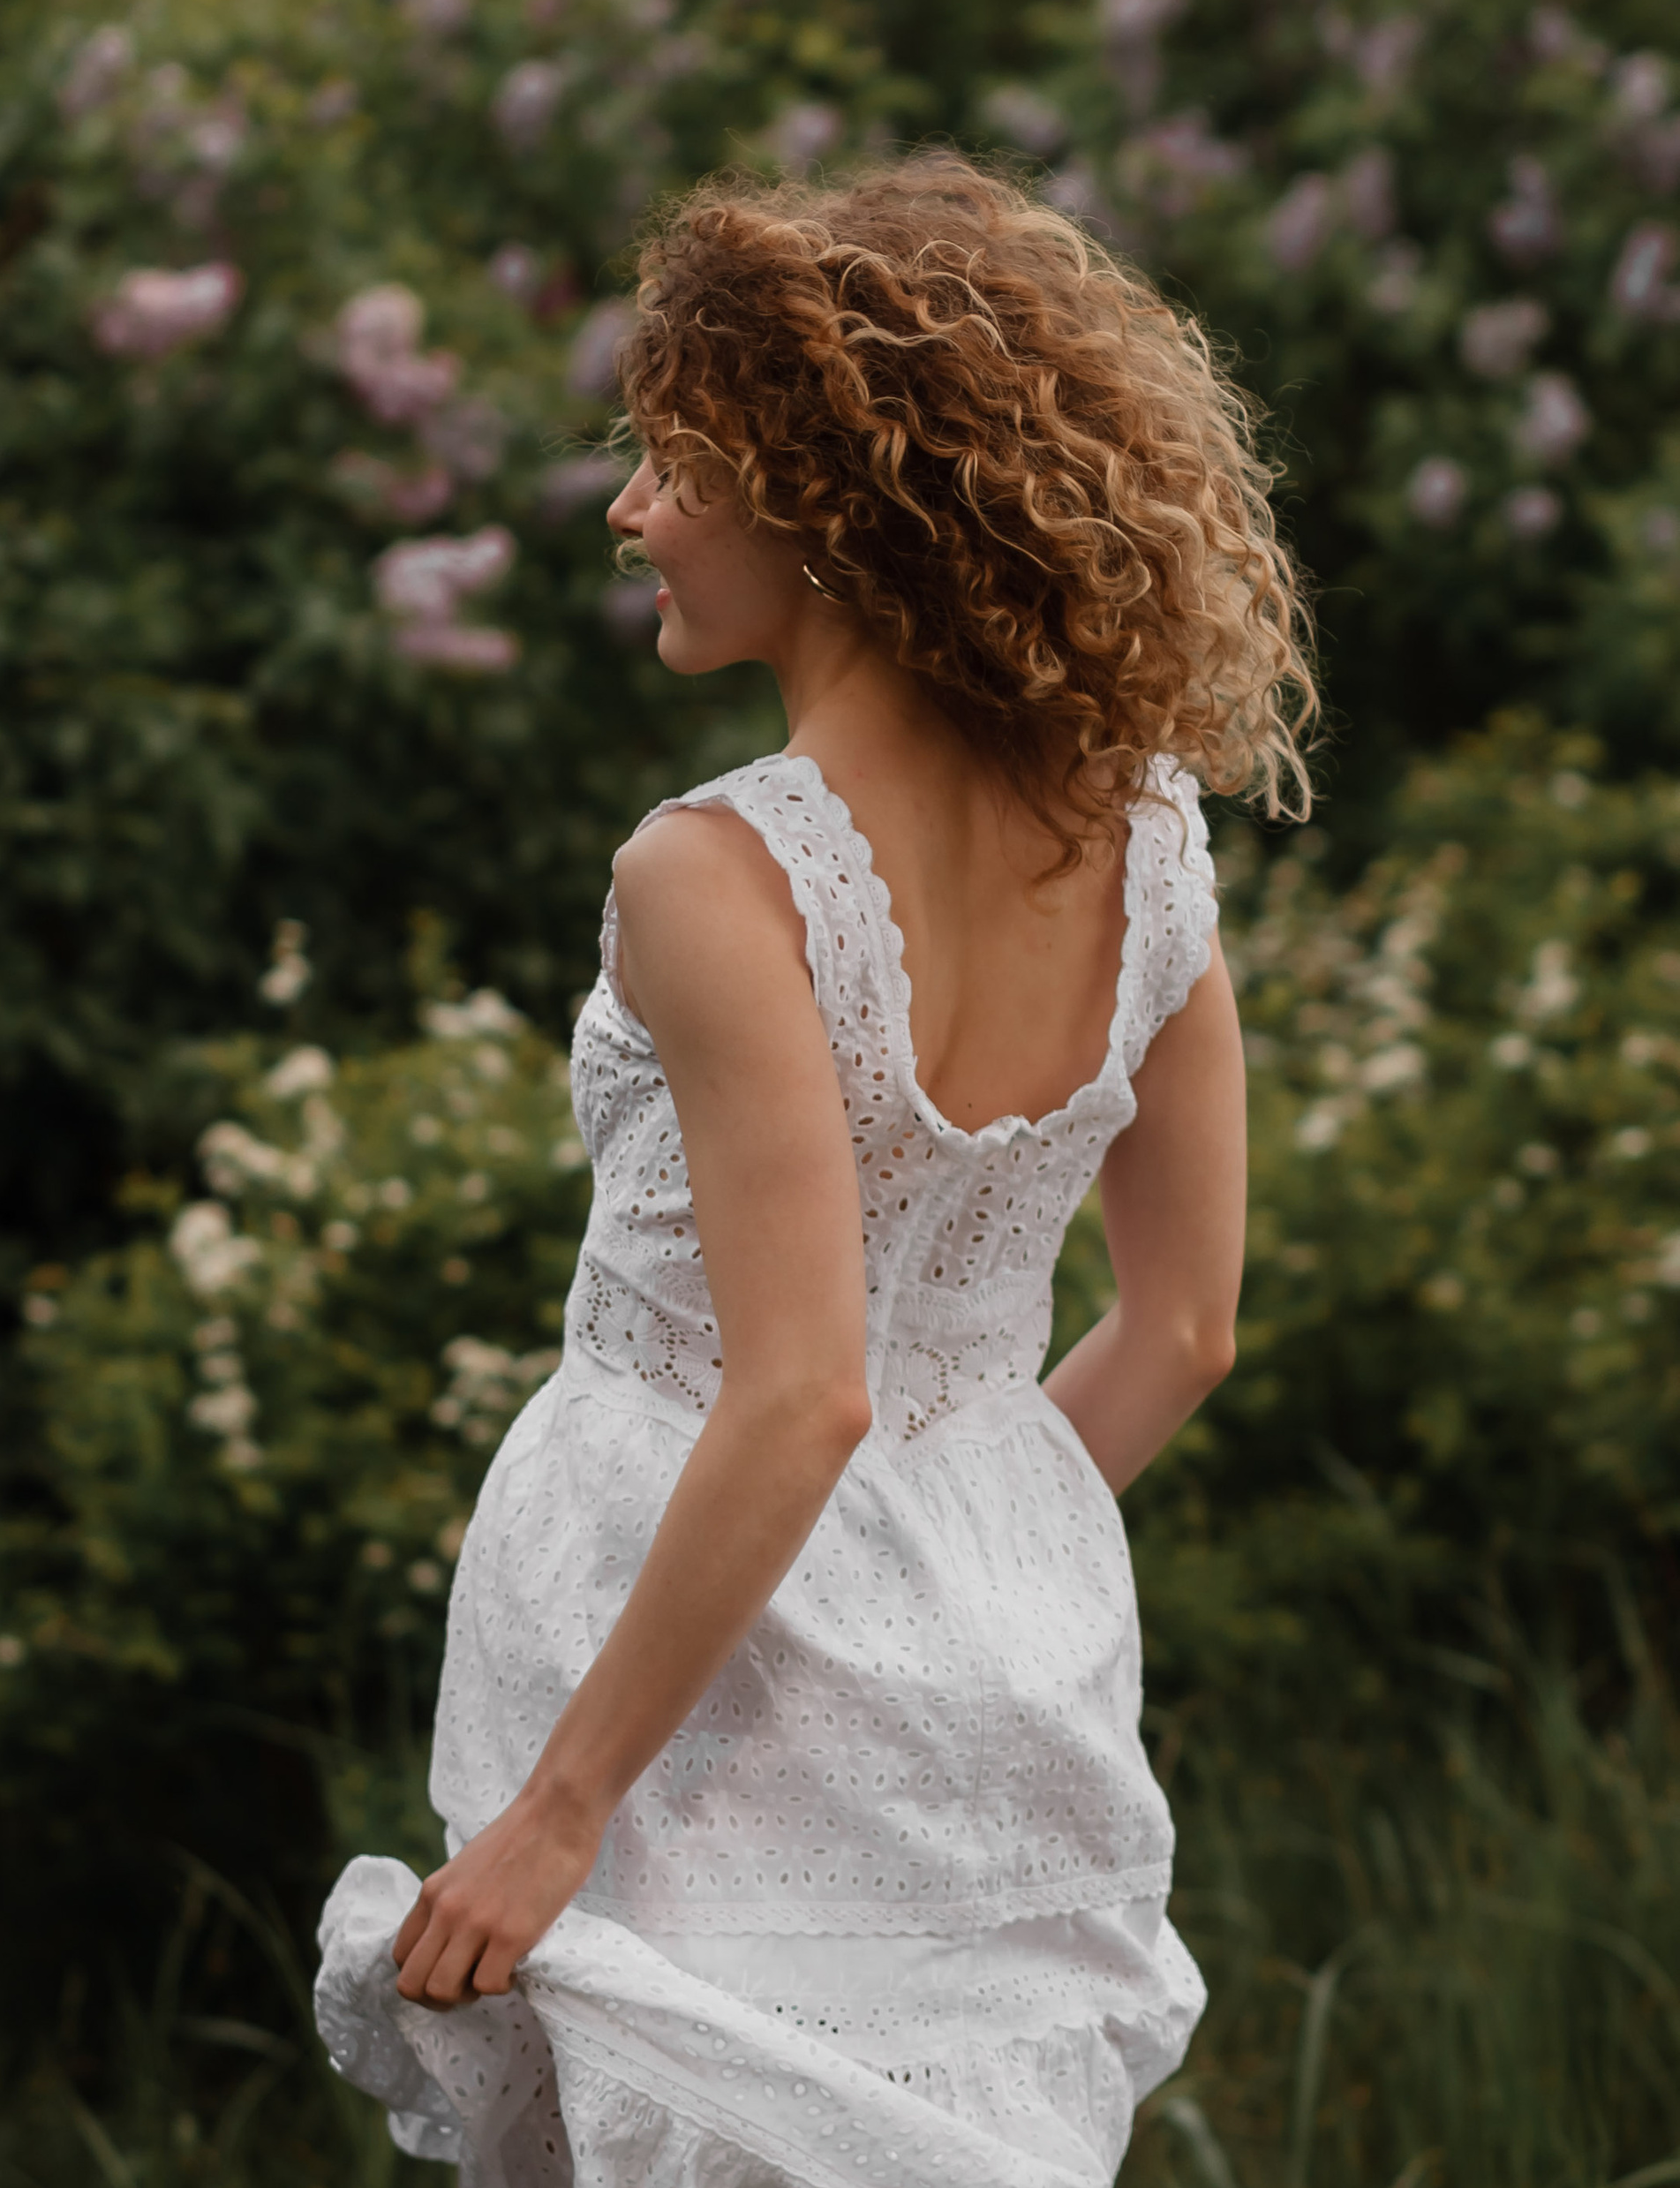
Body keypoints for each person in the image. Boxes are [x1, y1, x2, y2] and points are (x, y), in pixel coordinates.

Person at [315, 148, 1315, 2188]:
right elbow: (1183, 1326)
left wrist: (559, 1805)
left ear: (817, 493)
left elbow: (799, 1387)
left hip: (669, 1685)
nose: (626, 514)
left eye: (668, 461)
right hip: (983, 1666)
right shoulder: (1149, 848)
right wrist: (946, 1571)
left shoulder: (714, 868)